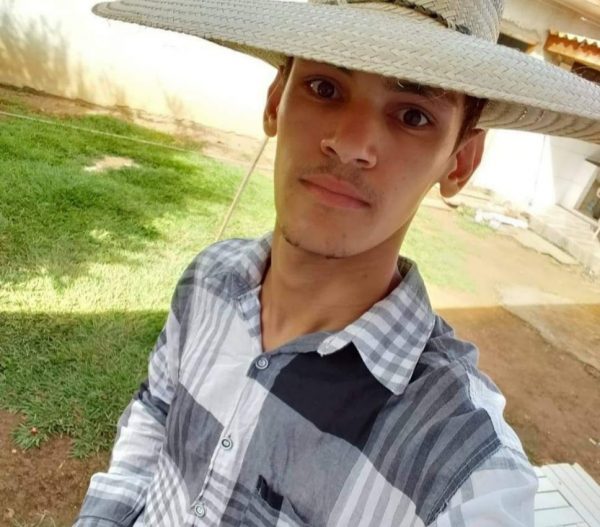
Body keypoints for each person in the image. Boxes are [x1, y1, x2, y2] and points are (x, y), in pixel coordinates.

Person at [77, 1, 600, 525]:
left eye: (413, 116)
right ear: (276, 101)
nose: (349, 145)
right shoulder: (209, 279)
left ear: (460, 162)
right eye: (324, 88)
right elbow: (153, 420)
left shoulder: (465, 473)